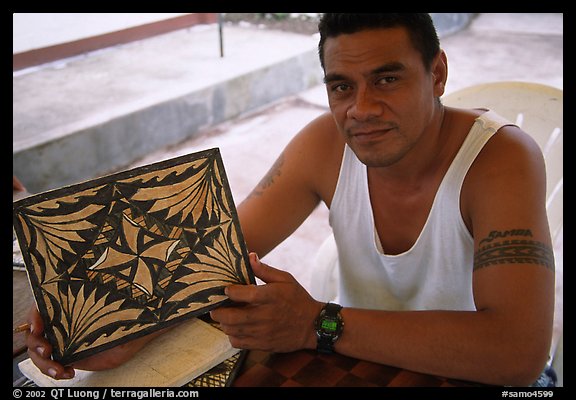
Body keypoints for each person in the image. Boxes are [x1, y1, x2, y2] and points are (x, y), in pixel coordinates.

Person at [25, 13, 556, 386]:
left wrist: (315, 324)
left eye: (387, 79)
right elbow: (214, 260)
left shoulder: (501, 159)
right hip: (358, 363)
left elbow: (516, 355)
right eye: (341, 86)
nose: (360, 109)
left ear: (437, 73)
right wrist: (125, 332)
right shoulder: (325, 142)